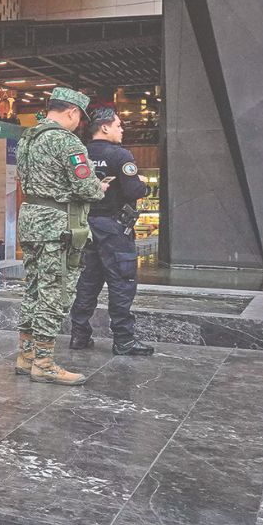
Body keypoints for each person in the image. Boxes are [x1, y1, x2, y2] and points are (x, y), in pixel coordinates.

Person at [15, 87, 108, 386]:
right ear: (72, 111)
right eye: (79, 118)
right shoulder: (66, 141)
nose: (79, 124)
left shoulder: (29, 138)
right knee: (55, 293)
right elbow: (87, 189)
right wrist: (99, 188)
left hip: (30, 221)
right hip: (57, 226)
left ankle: (25, 356)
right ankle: (43, 363)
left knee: (32, 289)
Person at [68, 107, 152, 356]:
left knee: (87, 281)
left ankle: (79, 335)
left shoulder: (79, 154)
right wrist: (144, 187)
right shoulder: (120, 155)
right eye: (118, 125)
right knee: (122, 281)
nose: (122, 129)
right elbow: (133, 190)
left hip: (84, 226)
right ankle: (123, 340)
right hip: (114, 229)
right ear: (104, 127)